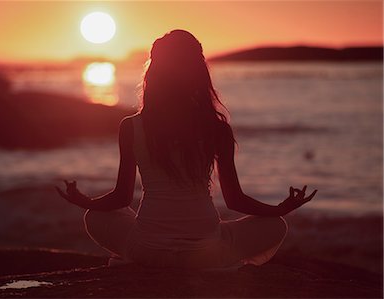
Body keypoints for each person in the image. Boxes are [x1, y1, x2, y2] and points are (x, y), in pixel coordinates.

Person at [56, 29, 317, 269]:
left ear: (154, 74)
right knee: (275, 226)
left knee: (94, 216)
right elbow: (235, 200)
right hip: (206, 253)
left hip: (148, 249)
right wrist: (280, 209)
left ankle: (151, 258)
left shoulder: (132, 127)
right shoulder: (217, 129)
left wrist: (85, 201)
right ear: (198, 73)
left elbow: (122, 198)